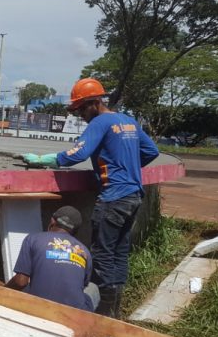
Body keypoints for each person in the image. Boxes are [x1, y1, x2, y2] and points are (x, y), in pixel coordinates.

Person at [21, 77, 160, 318]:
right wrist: (126, 167)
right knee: (118, 254)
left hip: (113, 199)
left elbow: (79, 153)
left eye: (81, 109)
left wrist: (44, 160)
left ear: (93, 103)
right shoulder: (128, 121)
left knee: (103, 257)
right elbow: (151, 151)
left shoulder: (101, 121)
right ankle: (115, 311)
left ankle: (103, 315)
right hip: (134, 197)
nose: (80, 116)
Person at [0, 206, 100, 312]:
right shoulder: (84, 251)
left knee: (31, 286)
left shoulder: (33, 239)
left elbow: (20, 282)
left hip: (40, 309)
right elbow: (81, 285)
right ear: (75, 231)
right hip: (74, 314)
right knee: (93, 287)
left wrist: (4, 290)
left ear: (52, 221)